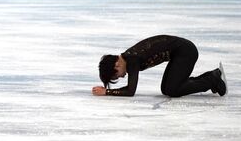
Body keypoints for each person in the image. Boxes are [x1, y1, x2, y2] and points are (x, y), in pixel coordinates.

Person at [92, 35, 227, 97]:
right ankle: (210, 77)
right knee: (167, 89)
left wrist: (107, 92)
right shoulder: (129, 57)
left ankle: (211, 80)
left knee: (172, 90)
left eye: (116, 75)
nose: (121, 76)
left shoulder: (131, 60)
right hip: (180, 52)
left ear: (116, 65)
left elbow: (130, 91)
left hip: (185, 52)